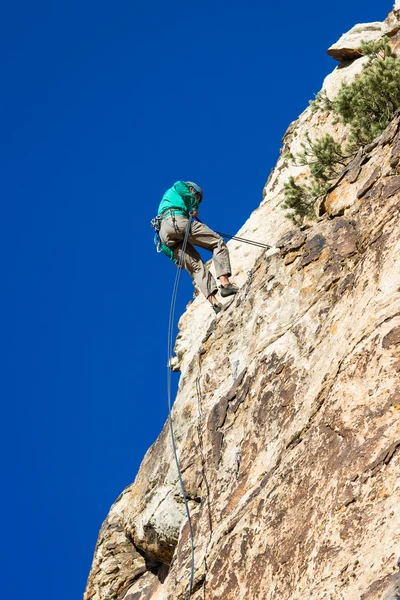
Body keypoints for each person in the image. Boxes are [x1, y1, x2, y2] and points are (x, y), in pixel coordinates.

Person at [157, 181, 238, 313]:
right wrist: (193, 206)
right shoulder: (180, 186)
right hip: (176, 220)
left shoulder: (165, 204)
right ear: (192, 190)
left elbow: (163, 245)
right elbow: (180, 185)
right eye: (197, 198)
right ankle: (225, 284)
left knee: (195, 267)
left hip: (165, 233)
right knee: (217, 242)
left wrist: (175, 258)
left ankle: (215, 304)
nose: (196, 201)